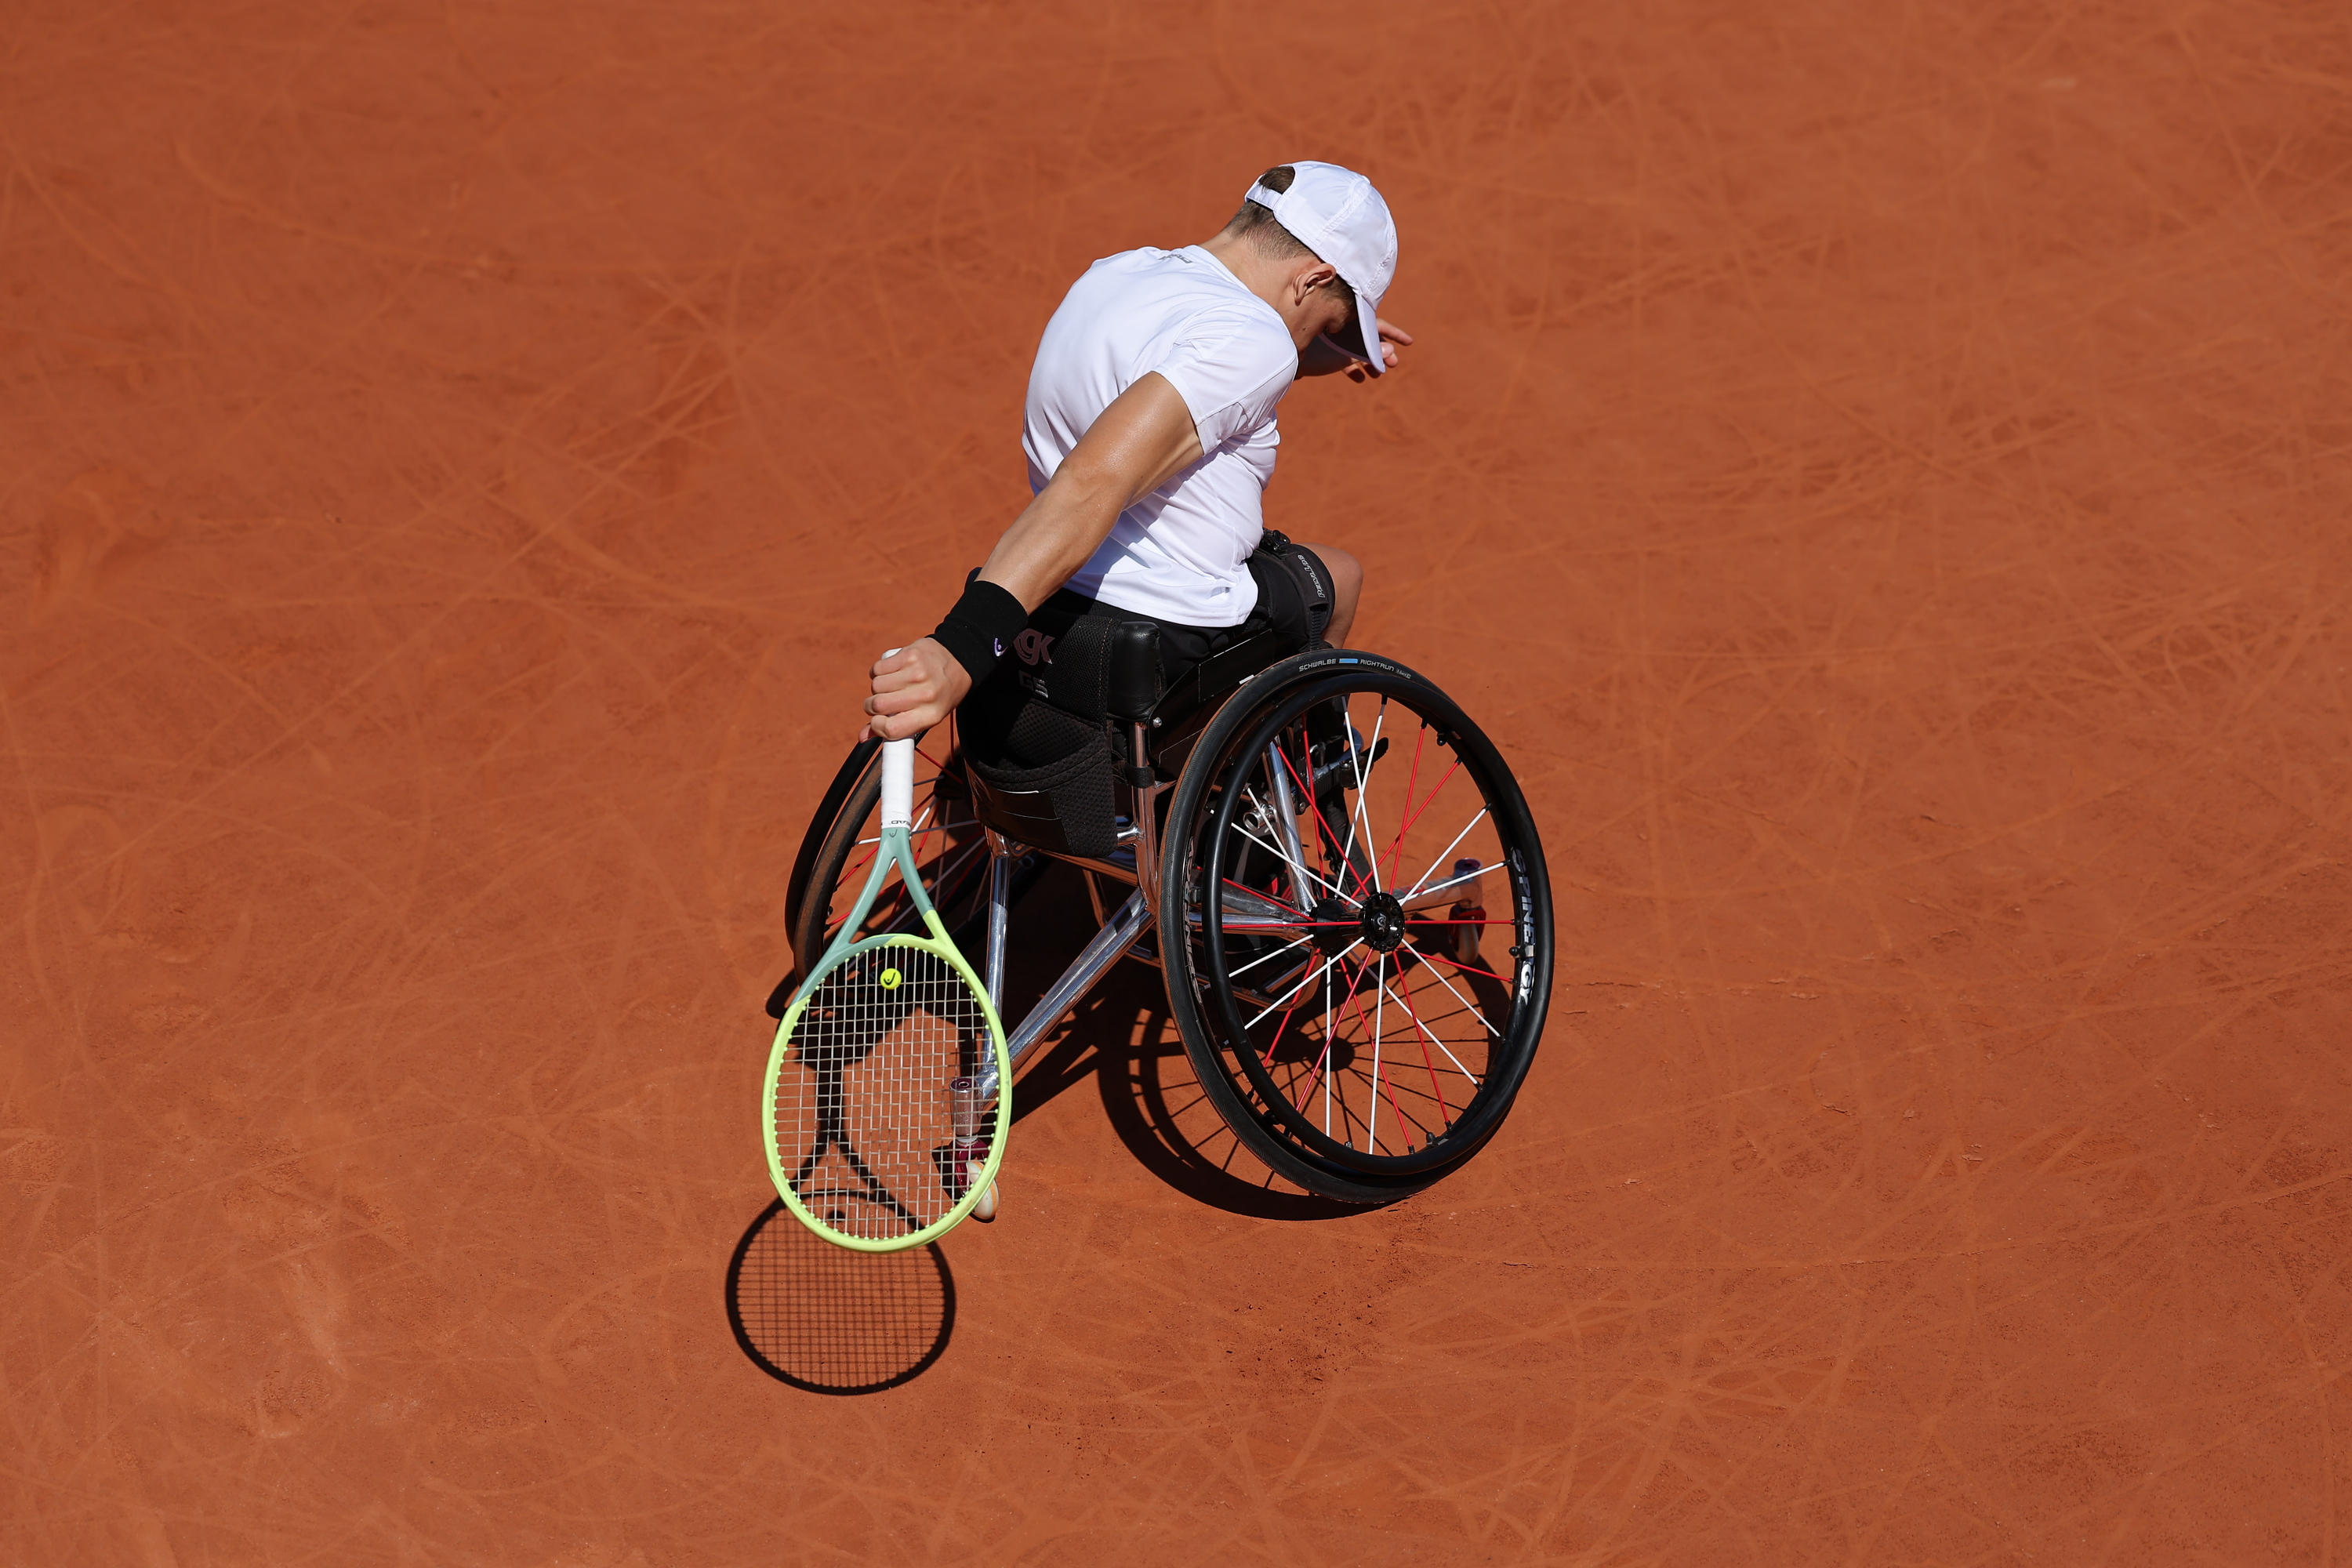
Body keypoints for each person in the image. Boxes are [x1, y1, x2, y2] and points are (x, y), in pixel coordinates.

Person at [858, 161, 1410, 748]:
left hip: (1056, 600)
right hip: (1172, 629)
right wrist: (961, 649)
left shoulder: (1117, 275)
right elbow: (1094, 480)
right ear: (1313, 277)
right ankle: (1296, 788)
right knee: (1340, 578)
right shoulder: (1255, 340)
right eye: (1336, 321)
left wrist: (1304, 354)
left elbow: (1195, 366)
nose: (1323, 338)